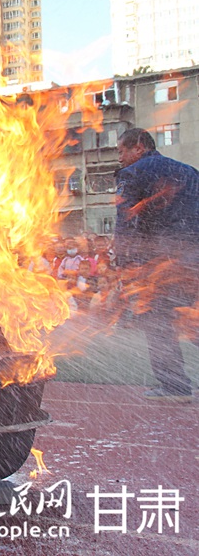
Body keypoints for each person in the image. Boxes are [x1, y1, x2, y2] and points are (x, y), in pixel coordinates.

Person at [115, 128, 199, 402]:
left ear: (139, 146)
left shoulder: (134, 172)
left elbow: (126, 218)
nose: (120, 158)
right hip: (192, 257)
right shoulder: (190, 172)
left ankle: (174, 387)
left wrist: (123, 260)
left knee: (158, 321)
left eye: (121, 151)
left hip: (161, 262)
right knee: (191, 319)